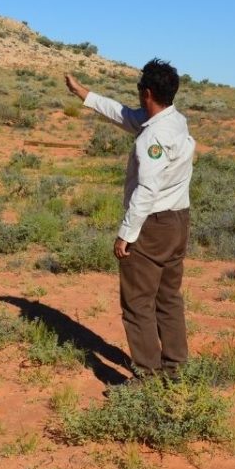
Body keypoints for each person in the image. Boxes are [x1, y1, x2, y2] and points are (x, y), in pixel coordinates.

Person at [65, 60, 195, 379]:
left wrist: (127, 234)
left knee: (138, 303)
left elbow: (147, 188)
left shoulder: (153, 137)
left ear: (146, 93)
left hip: (152, 225)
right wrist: (84, 93)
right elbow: (124, 115)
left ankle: (149, 376)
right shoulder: (174, 121)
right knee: (168, 298)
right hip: (178, 221)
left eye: (139, 91)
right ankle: (175, 367)